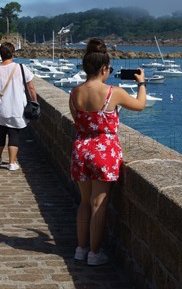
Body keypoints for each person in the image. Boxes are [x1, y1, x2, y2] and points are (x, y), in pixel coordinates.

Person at [69, 38, 146, 266]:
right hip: (104, 152)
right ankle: (94, 253)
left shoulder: (74, 93)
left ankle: (80, 249)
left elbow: (78, 123)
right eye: (109, 69)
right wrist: (141, 83)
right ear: (104, 68)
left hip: (80, 149)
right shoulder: (114, 92)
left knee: (84, 202)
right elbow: (140, 105)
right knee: (98, 203)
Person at [0, 42, 37, 171]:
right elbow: (31, 87)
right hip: (17, 108)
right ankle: (11, 163)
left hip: (0, 109)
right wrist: (35, 102)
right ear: (13, 54)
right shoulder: (21, 68)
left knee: (0, 133)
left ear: (0, 54)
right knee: (14, 134)